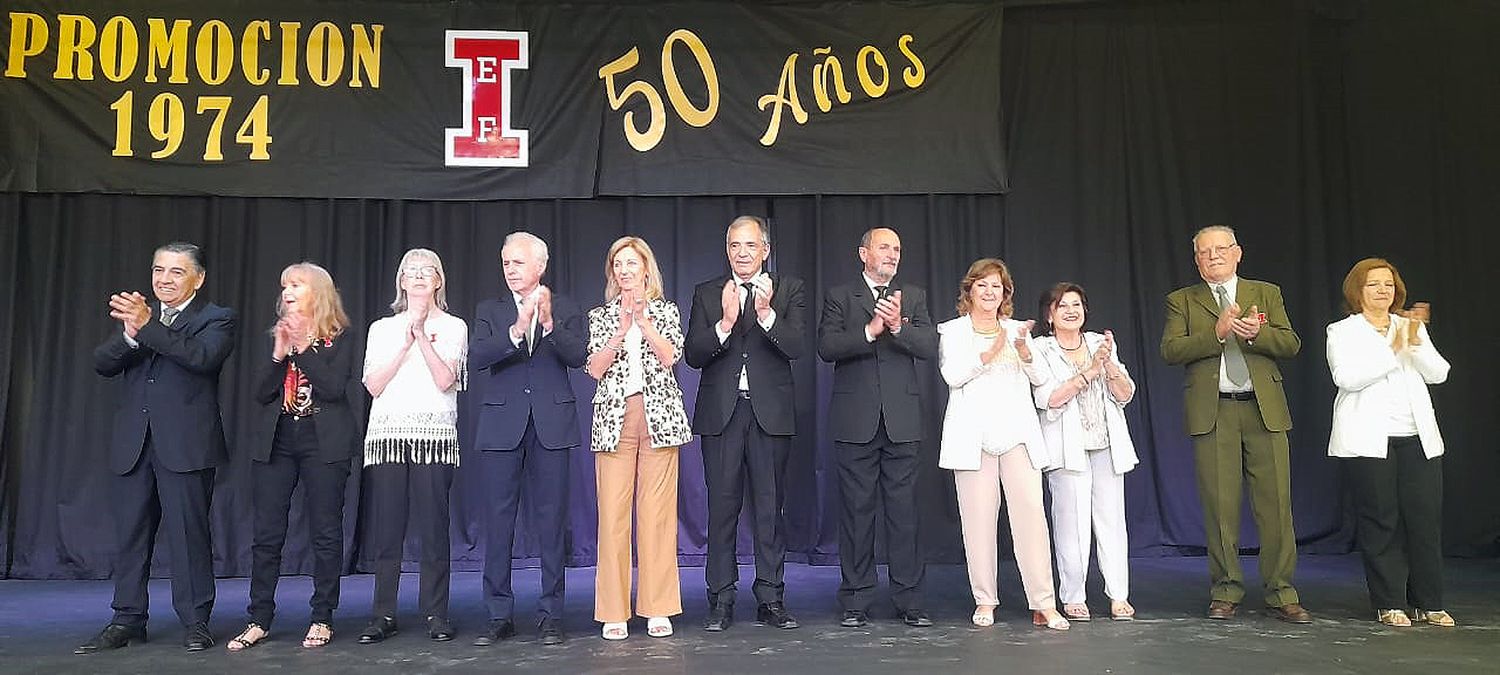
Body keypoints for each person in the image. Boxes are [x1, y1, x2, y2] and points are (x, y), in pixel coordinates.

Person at [79, 242, 235, 654]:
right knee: (130, 536)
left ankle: (196, 621)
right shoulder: (141, 318)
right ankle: (127, 619)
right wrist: (131, 336)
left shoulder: (216, 318)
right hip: (134, 444)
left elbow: (200, 358)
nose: (164, 279)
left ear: (198, 279)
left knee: (189, 537)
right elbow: (101, 362)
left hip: (186, 446)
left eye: (176, 272)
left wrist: (148, 327)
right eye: (158, 270)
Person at [1160, 225, 1310, 623]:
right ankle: (1225, 589)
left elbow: (1291, 343)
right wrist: (1216, 332)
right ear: (1196, 260)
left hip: (1264, 409)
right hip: (1215, 411)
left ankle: (1282, 591)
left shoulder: (1266, 293)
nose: (1213, 256)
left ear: (1237, 252)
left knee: (1276, 505)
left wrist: (1258, 333)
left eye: (1221, 249)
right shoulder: (1182, 300)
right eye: (1204, 252)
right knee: (1220, 508)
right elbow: (1171, 350)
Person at [685, 215, 806, 632]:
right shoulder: (706, 293)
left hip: (769, 414)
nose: (742, 253)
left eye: (750, 246)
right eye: (735, 245)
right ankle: (720, 599)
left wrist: (766, 313)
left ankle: (771, 598)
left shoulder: (789, 290)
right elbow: (693, 355)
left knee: (770, 511)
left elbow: (797, 346)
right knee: (721, 510)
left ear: (765, 251)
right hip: (722, 414)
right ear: (727, 249)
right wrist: (723, 322)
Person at [229, 262, 359, 651]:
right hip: (278, 439)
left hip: (324, 441)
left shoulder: (341, 336)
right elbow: (260, 393)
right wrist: (278, 354)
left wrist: (304, 347)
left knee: (325, 533)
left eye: (296, 284)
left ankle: (322, 616)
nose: (286, 290)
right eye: (284, 284)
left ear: (317, 292)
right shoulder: (275, 334)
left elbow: (335, 389)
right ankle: (259, 618)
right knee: (267, 534)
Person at [470, 232, 588, 646]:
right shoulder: (491, 309)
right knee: (498, 523)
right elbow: (478, 357)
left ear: (540, 265)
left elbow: (579, 356)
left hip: (552, 424)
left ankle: (551, 614)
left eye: (517, 263)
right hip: (503, 425)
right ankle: (498, 614)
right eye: (505, 263)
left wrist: (550, 324)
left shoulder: (568, 306)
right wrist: (517, 330)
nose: (510, 271)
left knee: (552, 522)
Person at [937, 259, 1068, 631]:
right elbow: (952, 375)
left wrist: (1024, 353)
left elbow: (1041, 379)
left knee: (1031, 518)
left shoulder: (1017, 330)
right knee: (978, 521)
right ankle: (985, 600)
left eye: (997, 286)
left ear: (1005, 293)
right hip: (972, 437)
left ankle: (1043, 603)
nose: (990, 292)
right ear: (970, 291)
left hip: (1017, 434)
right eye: (983, 285)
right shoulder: (954, 331)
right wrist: (992, 351)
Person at [817, 227, 937, 628]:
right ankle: (855, 599)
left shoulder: (913, 297)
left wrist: (899, 327)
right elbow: (826, 348)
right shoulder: (840, 296)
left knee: (905, 515)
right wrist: (870, 331)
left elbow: (928, 347)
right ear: (863, 252)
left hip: (902, 421)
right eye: (884, 247)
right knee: (856, 513)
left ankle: (910, 600)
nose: (892, 254)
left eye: (897, 249)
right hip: (856, 422)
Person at [1325, 258, 1453, 627]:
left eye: (1388, 284)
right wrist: (1393, 348)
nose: (1383, 290)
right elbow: (1346, 378)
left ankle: (1429, 602)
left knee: (1424, 520)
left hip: (1417, 437)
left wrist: (1414, 343)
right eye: (1374, 284)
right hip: (1369, 440)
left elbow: (1439, 373)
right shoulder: (1342, 331)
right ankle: (1389, 601)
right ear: (1357, 291)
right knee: (1381, 521)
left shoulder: (1409, 326)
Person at [357, 248, 467, 644]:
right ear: (401, 281)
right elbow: (373, 385)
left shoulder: (454, 326)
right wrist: (404, 342)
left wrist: (422, 336)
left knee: (434, 527)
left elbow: (444, 379)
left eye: (427, 271)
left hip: (433, 437)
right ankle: (383, 612)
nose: (418, 277)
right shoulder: (381, 328)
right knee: (388, 529)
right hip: (388, 435)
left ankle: (436, 612)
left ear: (439, 280)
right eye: (410, 271)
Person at [585, 236, 692, 641]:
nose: (625, 270)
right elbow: (593, 369)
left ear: (647, 269)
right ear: (612, 273)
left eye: (633, 263)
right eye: (618, 264)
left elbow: (669, 357)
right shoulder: (600, 315)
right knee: (612, 517)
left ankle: (657, 607)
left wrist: (643, 323)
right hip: (614, 420)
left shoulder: (666, 311)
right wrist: (620, 330)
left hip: (659, 420)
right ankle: (614, 609)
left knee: (657, 517)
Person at [1032, 283, 1139, 622]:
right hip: (1067, 448)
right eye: (1062, 305)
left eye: (1076, 304)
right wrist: (1088, 371)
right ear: (1050, 314)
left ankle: (1118, 595)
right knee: (1071, 523)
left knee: (1112, 522)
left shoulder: (1099, 342)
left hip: (1107, 444)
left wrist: (1107, 366)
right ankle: (1073, 596)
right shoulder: (1041, 349)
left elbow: (1125, 394)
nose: (1071, 310)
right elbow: (1048, 398)